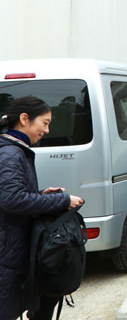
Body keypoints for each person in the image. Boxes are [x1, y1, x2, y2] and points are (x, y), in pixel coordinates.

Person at [0, 96, 84, 320]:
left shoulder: (14, 150)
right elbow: (12, 200)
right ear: (25, 119)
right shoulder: (10, 153)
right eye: (45, 123)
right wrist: (62, 201)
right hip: (6, 255)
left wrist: (40, 196)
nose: (47, 130)